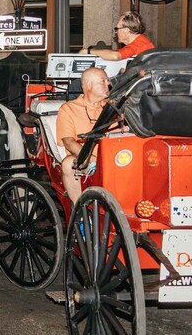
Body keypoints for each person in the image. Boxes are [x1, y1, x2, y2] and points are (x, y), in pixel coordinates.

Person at [56, 67, 111, 203]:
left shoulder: (111, 107)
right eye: (103, 81)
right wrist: (94, 160)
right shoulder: (68, 109)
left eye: (107, 81)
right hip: (87, 162)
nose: (108, 84)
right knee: (68, 163)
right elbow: (68, 141)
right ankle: (79, 210)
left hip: (115, 159)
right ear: (88, 85)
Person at [82, 11, 155, 61]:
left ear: (126, 30)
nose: (116, 32)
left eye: (117, 29)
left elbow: (116, 56)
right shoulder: (140, 42)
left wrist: (88, 51)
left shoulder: (139, 44)